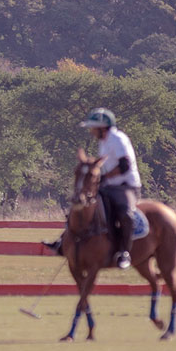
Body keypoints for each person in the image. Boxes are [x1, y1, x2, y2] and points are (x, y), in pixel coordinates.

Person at [44, 107, 141, 269]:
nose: (91, 131)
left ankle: (124, 252)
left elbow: (124, 165)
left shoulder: (118, 139)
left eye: (93, 127)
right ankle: (63, 240)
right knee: (81, 205)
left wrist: (103, 177)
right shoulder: (103, 141)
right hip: (108, 186)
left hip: (126, 186)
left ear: (102, 127)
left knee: (125, 214)